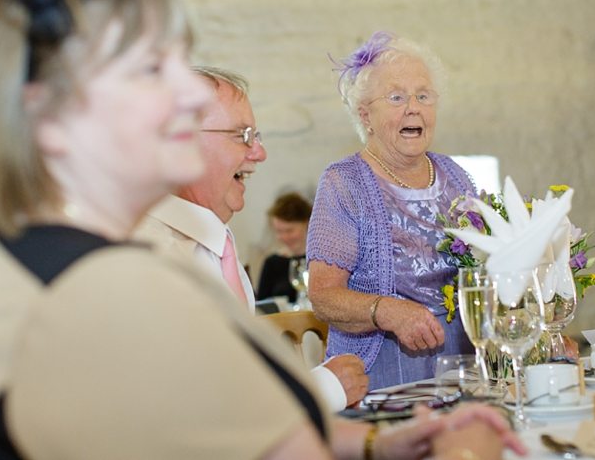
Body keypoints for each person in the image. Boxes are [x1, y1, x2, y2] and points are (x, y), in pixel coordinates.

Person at [0, 0, 525, 458]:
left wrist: (376, 443)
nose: (189, 95)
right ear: (50, 116)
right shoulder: (96, 292)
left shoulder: (11, 260)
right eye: (150, 69)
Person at [135, 67, 368, 411]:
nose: (259, 153)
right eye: (242, 135)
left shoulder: (218, 243)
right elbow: (191, 407)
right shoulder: (150, 258)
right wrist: (322, 388)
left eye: (256, 136)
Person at [307, 32, 476, 390]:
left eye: (423, 96)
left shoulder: (456, 177)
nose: (413, 107)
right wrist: (387, 311)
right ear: (365, 114)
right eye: (397, 97)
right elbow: (323, 297)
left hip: (462, 368)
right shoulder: (344, 182)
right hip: (381, 375)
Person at [257, 192, 312, 303]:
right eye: (279, 231)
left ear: (306, 223)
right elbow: (262, 308)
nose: (284, 237)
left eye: (289, 230)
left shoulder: (320, 260)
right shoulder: (272, 263)